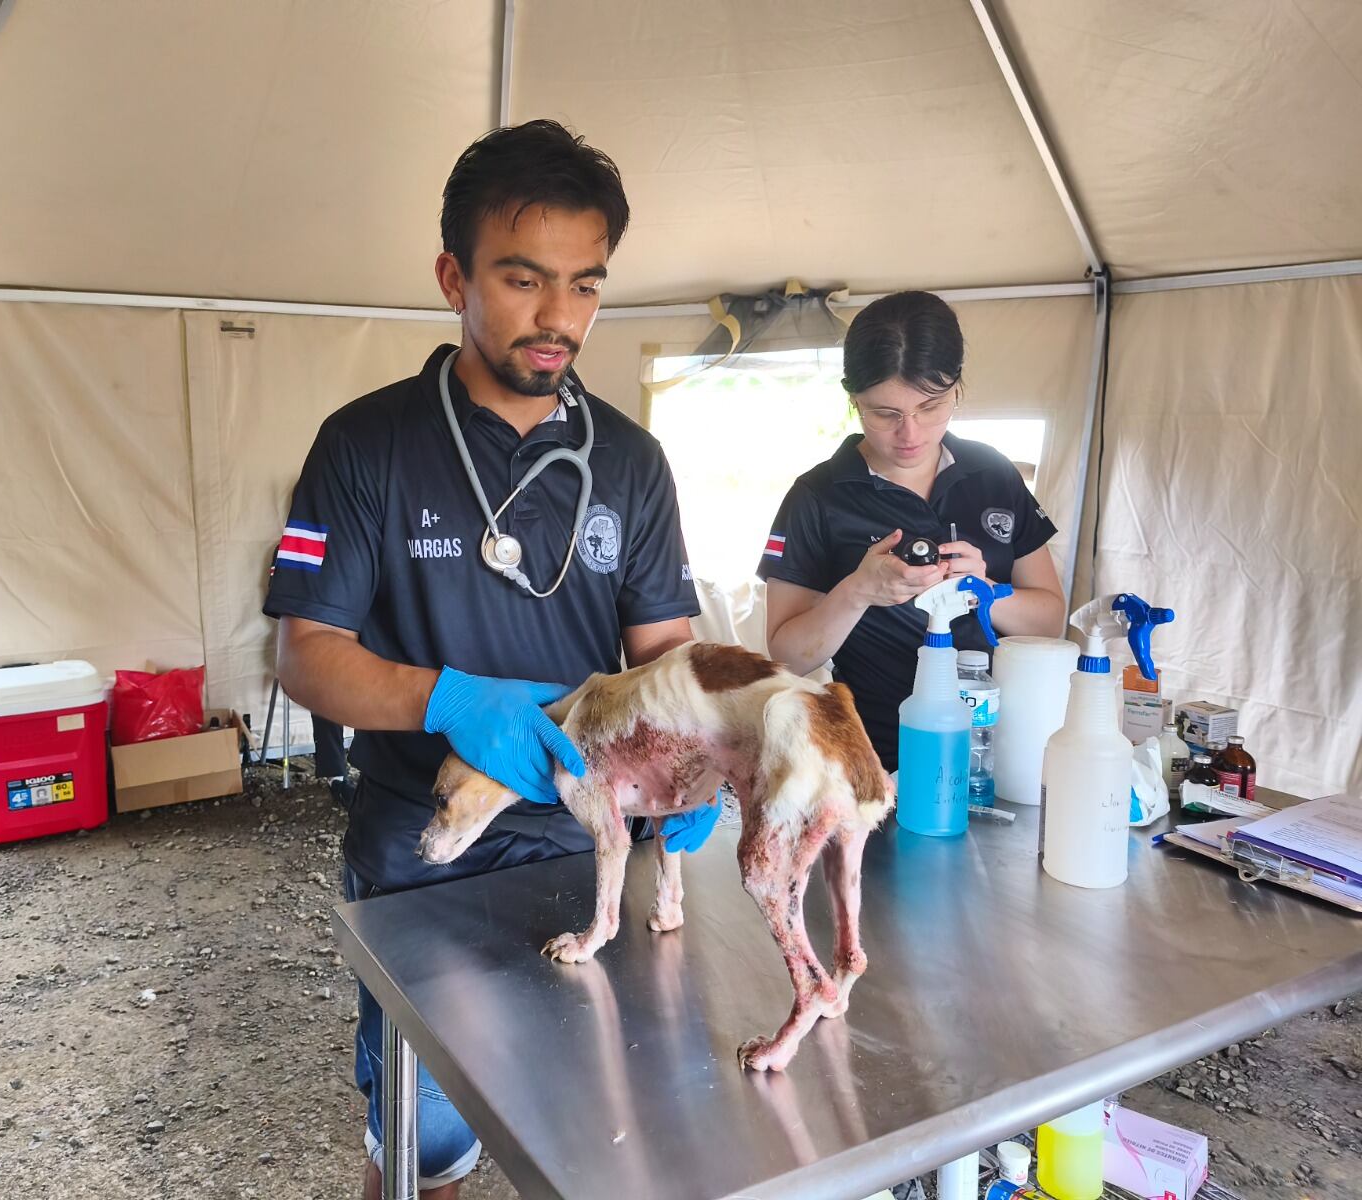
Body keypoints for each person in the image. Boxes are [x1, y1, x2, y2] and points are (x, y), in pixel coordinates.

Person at [264, 120, 717, 1198]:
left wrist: (693, 756)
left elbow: (663, 652)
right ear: (452, 276)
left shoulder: (632, 462)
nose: (559, 317)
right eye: (522, 280)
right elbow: (304, 655)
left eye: (586, 286)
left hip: (587, 847)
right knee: (426, 1154)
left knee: (611, 1133)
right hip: (427, 856)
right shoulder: (364, 445)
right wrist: (451, 699)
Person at [762, 290, 1066, 768]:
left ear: (957, 389)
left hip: (996, 754)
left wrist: (987, 590)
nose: (911, 434)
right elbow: (786, 658)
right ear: (854, 399)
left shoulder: (993, 475)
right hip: (874, 758)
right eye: (886, 414)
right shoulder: (818, 495)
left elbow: (1050, 621)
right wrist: (859, 590)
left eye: (931, 407)